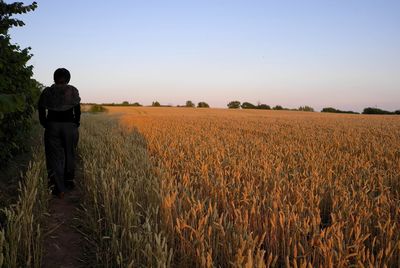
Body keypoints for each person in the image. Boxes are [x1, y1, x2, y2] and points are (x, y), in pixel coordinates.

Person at [38, 68, 81, 198]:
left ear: (54, 78)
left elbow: (41, 109)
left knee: (54, 157)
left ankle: (59, 188)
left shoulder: (47, 91)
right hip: (70, 127)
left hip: (52, 126)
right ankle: (69, 182)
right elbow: (77, 110)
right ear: (68, 79)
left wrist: (45, 123)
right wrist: (75, 123)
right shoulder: (72, 90)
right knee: (70, 154)